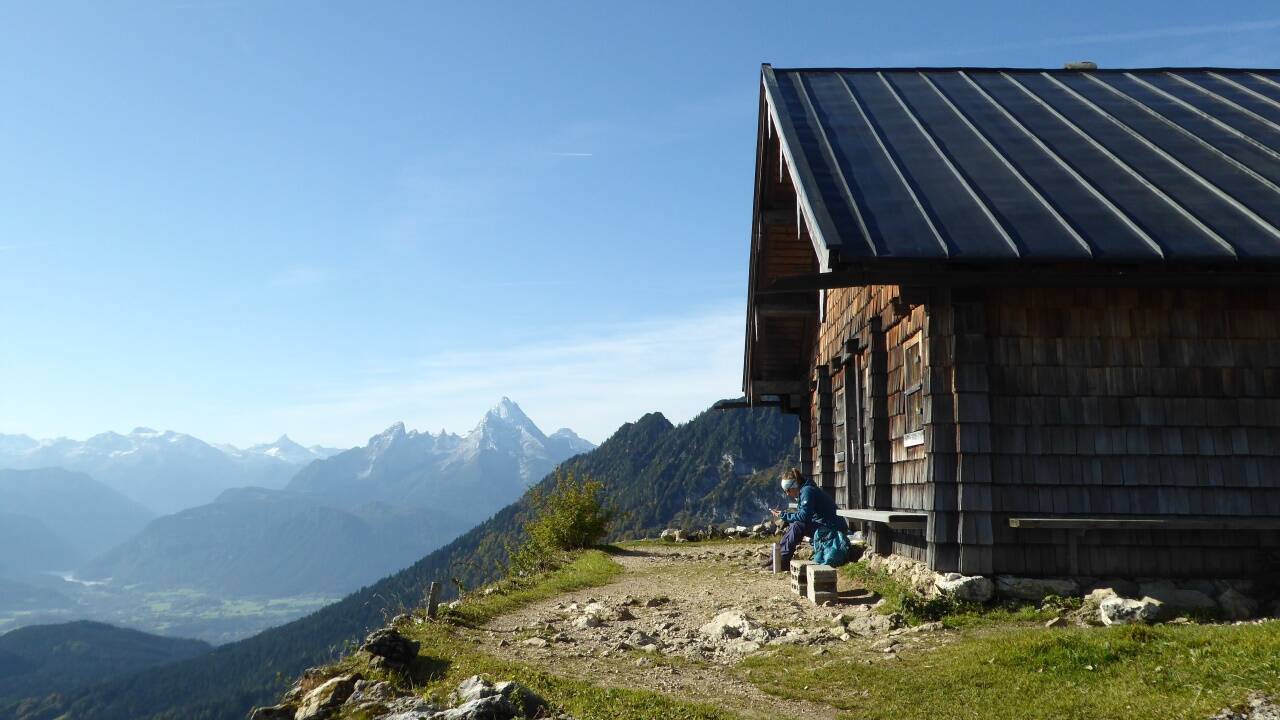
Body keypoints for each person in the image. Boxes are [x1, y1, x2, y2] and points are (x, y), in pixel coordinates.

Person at [765, 468, 849, 569]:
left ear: (794, 486)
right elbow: (804, 514)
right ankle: (776, 557)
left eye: (787, 490)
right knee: (795, 525)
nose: (787, 494)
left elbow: (804, 516)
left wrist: (784, 515)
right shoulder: (805, 490)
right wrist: (785, 515)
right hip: (826, 525)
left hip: (832, 529)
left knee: (798, 526)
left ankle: (782, 560)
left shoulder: (807, 491)